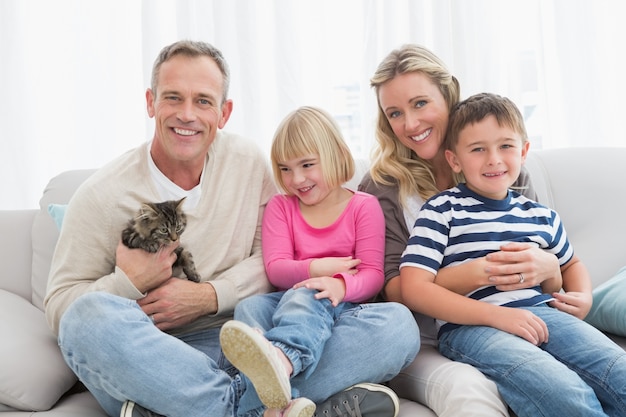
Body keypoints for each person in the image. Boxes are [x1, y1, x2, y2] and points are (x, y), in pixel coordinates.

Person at [44, 40, 418, 417]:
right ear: (150, 102)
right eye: (173, 98)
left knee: (397, 326)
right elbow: (61, 308)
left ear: (224, 112)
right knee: (85, 321)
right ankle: (263, 407)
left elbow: (269, 258)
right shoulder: (101, 194)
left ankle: (210, 407)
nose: (187, 114)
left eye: (203, 101)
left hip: (254, 341)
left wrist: (210, 295)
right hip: (161, 359)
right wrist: (128, 281)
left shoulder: (247, 162)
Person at [359, 44, 563, 416]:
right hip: (427, 342)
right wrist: (474, 273)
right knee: (471, 393)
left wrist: (551, 268)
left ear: (448, 94)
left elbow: (548, 251)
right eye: (395, 113)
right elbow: (397, 291)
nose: (410, 124)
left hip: (515, 320)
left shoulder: (501, 165)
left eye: (420, 104)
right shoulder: (381, 187)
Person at [399, 92, 626, 417]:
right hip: (472, 327)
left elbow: (571, 262)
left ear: (524, 151)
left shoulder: (541, 215)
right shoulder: (441, 210)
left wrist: (583, 295)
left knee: (619, 373)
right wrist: (498, 316)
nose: (494, 159)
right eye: (478, 149)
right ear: (454, 160)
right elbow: (415, 288)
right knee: (560, 390)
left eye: (505, 146)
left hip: (544, 315)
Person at [220, 106, 415, 417]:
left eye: (307, 165)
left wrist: (337, 284)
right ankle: (289, 400)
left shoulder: (363, 207)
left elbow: (373, 276)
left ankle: (280, 367)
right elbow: (277, 269)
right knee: (249, 309)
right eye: (284, 169)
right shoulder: (281, 207)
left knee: (399, 323)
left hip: (346, 310)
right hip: (290, 306)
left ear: (336, 154)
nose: (296, 179)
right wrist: (318, 269)